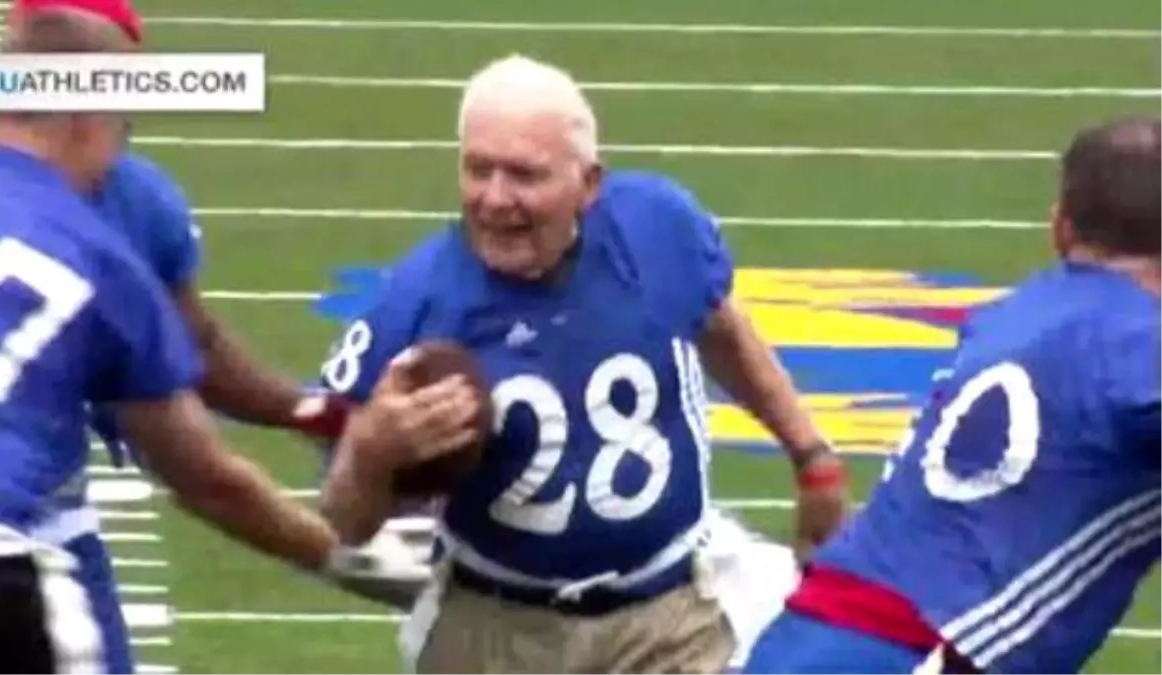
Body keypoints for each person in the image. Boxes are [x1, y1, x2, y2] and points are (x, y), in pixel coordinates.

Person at [0, 8, 481, 673]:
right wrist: (332, 547)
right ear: (88, 113)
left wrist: (313, 410)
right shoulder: (104, 258)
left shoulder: (127, 210)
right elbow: (205, 477)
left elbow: (199, 351)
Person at [319, 54, 847, 674]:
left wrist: (811, 455)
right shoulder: (414, 305)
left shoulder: (657, 225)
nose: (494, 198)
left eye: (524, 175)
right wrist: (370, 452)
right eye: (477, 169)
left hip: (673, 613)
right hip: (497, 627)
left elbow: (720, 326)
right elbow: (346, 526)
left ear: (588, 183)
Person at [742, 116, 1162, 674]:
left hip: (808, 634)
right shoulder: (1140, 348)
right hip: (919, 653)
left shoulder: (1008, 316)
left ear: (1059, 229)